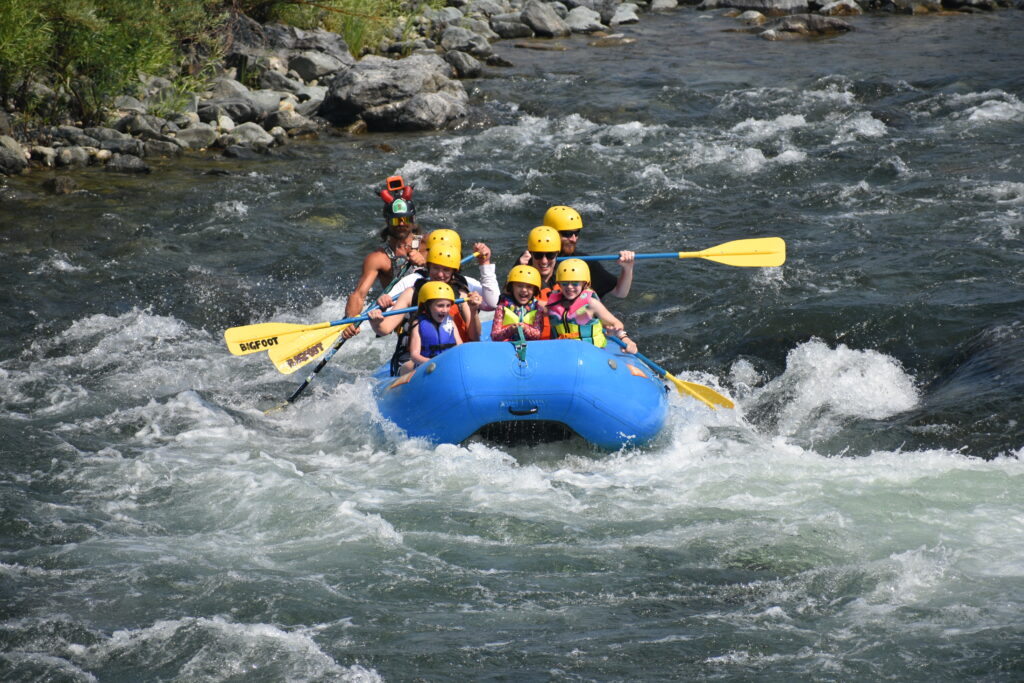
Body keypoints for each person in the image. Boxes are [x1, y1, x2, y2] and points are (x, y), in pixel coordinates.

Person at [368, 244, 483, 375]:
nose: (440, 274)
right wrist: (376, 321)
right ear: (428, 268)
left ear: (453, 272)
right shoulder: (411, 293)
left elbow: (474, 337)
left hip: (447, 356)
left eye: (446, 270)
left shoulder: (461, 296)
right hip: (411, 359)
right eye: (435, 268)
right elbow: (384, 329)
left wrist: (474, 311)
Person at [341, 175, 425, 339]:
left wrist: (426, 264)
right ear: (387, 221)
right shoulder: (378, 258)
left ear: (412, 219)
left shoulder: (427, 244)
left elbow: (450, 272)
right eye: (396, 220)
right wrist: (349, 322)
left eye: (405, 219)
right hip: (399, 317)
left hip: (429, 306)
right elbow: (359, 295)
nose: (401, 224)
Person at [520, 206, 635, 299]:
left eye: (577, 233)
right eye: (567, 234)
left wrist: (627, 267)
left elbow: (620, 292)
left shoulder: (584, 262)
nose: (574, 239)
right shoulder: (529, 258)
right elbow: (510, 295)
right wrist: (521, 267)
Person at [378, 228, 499, 313]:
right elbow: (385, 316)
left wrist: (485, 263)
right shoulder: (412, 282)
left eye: (446, 268)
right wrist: (383, 304)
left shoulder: (465, 284)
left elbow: (494, 303)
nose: (440, 274)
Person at [545, 258, 637, 354]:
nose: (569, 287)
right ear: (559, 284)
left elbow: (616, 324)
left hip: (592, 353)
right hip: (563, 352)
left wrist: (626, 339)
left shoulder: (591, 304)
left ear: (585, 284)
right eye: (564, 283)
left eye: (575, 283)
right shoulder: (552, 304)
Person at [404, 281, 463, 374]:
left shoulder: (450, 322)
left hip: (448, 362)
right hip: (427, 365)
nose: (445, 310)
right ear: (427, 306)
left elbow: (460, 346)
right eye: (440, 306)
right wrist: (432, 363)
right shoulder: (418, 323)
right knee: (406, 367)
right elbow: (415, 355)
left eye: (448, 306)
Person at [491, 265, 544, 342]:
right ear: (511, 287)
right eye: (519, 286)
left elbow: (538, 335)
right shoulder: (501, 307)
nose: (524, 290)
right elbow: (494, 336)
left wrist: (524, 328)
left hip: (530, 348)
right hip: (507, 347)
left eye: (529, 287)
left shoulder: (538, 309)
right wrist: (510, 329)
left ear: (535, 290)